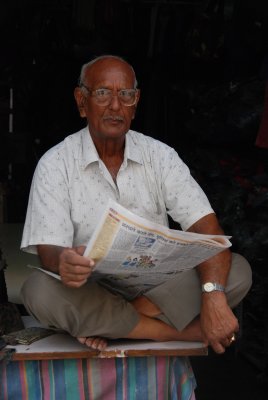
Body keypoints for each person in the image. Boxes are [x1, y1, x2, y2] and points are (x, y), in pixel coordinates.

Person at [20, 55, 252, 354]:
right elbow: (48, 251)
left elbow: (209, 232)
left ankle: (120, 325)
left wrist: (213, 294)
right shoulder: (55, 164)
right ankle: (167, 332)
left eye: (126, 94)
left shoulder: (161, 156)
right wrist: (64, 261)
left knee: (237, 271)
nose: (115, 106)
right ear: (81, 101)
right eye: (103, 93)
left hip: (159, 289)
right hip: (93, 291)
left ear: (136, 101)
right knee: (38, 291)